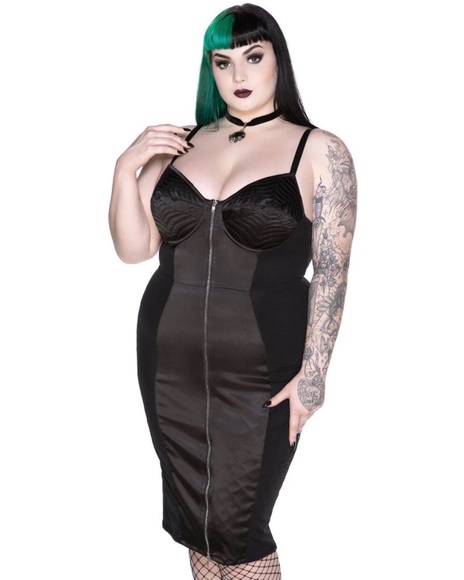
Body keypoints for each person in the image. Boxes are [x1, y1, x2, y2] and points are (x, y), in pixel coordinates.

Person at [108, 4, 357, 579]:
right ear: (210, 70)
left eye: (253, 57)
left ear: (277, 60)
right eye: (223, 62)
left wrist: (314, 376)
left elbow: (333, 272)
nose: (238, 74)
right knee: (196, 519)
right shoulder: (181, 143)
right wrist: (125, 168)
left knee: (240, 528)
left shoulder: (320, 150)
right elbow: (133, 248)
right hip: (169, 361)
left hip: (261, 368)